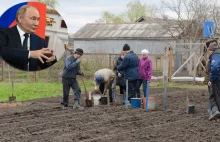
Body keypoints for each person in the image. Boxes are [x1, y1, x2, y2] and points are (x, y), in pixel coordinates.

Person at [0, 5, 56, 71]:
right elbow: (2, 51)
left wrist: (51, 59)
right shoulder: (3, 33)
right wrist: (30, 54)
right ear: (20, 18)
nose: (36, 24)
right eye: (33, 19)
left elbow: (44, 66)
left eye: (38, 19)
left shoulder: (40, 41)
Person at [209, 44, 220, 120]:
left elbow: (215, 67)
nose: (208, 52)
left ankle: (216, 112)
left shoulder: (215, 55)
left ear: (211, 50)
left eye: (208, 50)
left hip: (217, 79)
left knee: (214, 96)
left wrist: (211, 79)